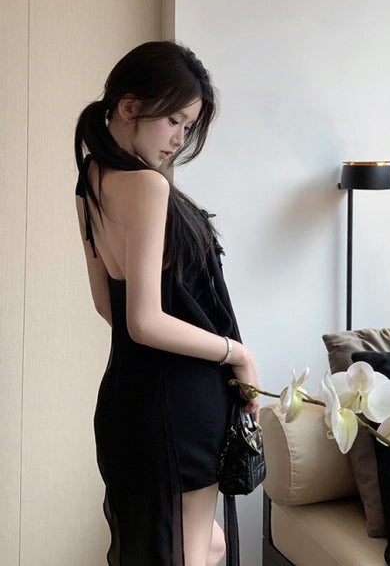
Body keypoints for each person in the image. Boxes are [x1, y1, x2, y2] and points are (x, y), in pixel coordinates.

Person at [74, 41, 260, 566]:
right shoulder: (148, 187)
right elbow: (143, 320)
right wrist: (238, 353)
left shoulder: (90, 183)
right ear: (129, 106)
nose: (179, 139)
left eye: (188, 126)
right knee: (190, 552)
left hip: (127, 398)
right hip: (180, 404)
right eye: (174, 120)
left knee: (196, 545)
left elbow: (109, 307)